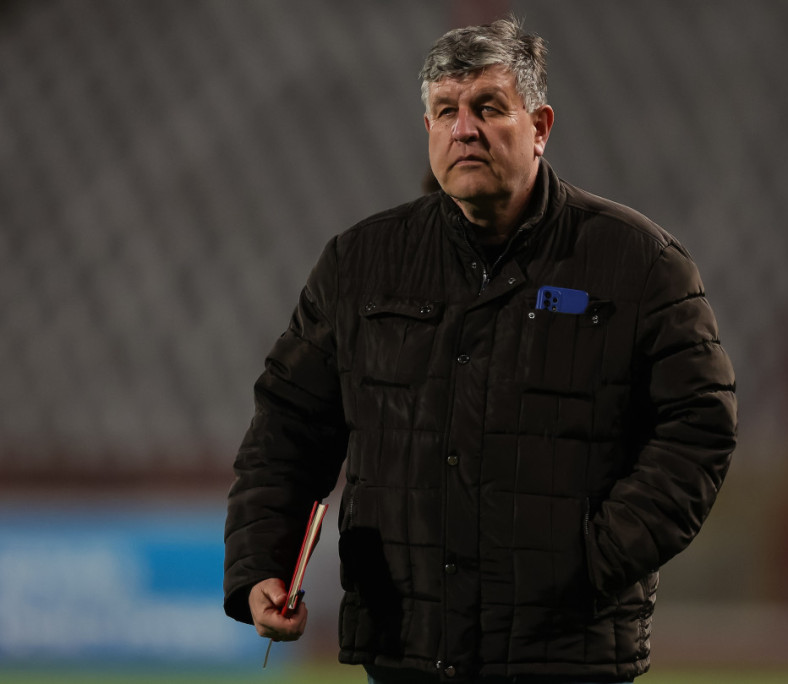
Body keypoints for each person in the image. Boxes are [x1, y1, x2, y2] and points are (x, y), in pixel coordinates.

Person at [224, 16, 737, 684]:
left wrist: (595, 560)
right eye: (446, 111)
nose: (464, 129)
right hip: (407, 651)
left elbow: (699, 427)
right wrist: (262, 563)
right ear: (429, 128)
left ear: (540, 127)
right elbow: (287, 428)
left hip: (566, 656)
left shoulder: (640, 264)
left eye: (488, 107)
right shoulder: (359, 264)